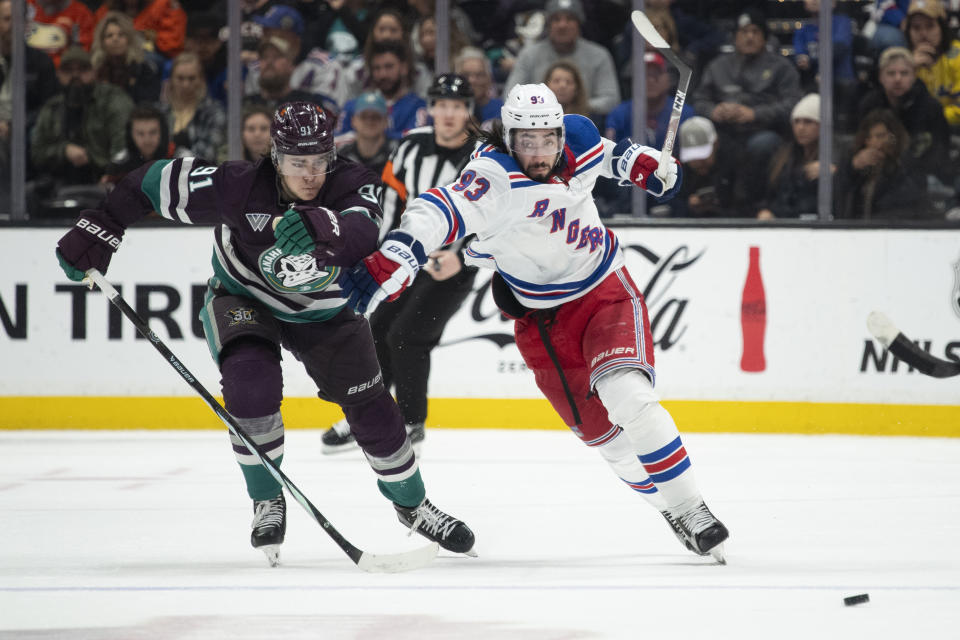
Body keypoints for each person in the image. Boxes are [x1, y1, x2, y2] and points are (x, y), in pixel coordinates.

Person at [53, 101, 476, 565]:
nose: (311, 173)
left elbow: (360, 233)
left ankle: (413, 506)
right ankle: (267, 498)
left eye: (319, 160)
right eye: (298, 162)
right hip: (244, 299)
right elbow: (148, 183)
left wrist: (319, 224)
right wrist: (103, 227)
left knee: (373, 409)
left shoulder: (354, 182)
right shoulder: (236, 185)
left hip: (326, 314)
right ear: (275, 156)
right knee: (249, 386)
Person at [338, 83, 730, 561]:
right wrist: (401, 249)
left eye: (549, 138)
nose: (540, 151)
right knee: (605, 440)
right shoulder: (493, 176)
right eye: (527, 140)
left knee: (629, 397)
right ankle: (669, 505)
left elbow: (609, 155)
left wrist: (642, 165)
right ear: (509, 136)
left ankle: (691, 508)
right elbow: (439, 209)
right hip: (541, 324)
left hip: (604, 288)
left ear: (561, 132)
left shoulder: (579, 138)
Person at [323, 74, 479, 454]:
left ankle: (411, 426)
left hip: (452, 267)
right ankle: (362, 418)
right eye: (442, 104)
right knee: (376, 332)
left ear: (469, 112)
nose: (448, 113)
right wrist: (383, 250)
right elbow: (392, 199)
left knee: (407, 337)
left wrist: (460, 256)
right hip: (407, 258)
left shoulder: (481, 155)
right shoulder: (412, 146)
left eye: (457, 106)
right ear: (431, 108)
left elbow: (493, 211)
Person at [693, 8, 802, 204]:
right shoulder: (718, 66)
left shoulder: (781, 67)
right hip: (725, 130)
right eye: (744, 32)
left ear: (765, 38)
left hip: (764, 131)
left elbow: (792, 103)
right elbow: (699, 99)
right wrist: (714, 110)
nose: (749, 37)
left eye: (755, 32)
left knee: (760, 146)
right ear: (735, 37)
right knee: (707, 142)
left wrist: (755, 114)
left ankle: (753, 204)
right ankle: (703, 201)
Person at [30, 46, 134, 188]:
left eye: (82, 70)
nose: (75, 76)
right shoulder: (52, 108)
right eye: (68, 71)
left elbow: (122, 149)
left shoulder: (113, 100)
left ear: (93, 73)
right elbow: (36, 153)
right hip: (59, 183)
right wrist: (64, 150)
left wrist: (111, 175)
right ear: (58, 74)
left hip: (102, 179)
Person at [504, 0, 621, 116]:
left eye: (570, 19)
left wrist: (576, 107)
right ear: (548, 24)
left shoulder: (599, 55)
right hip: (536, 122)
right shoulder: (529, 54)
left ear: (579, 24)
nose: (562, 25)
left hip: (586, 121)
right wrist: (543, 107)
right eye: (556, 19)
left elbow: (611, 99)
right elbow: (510, 96)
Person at [857, 46, 950, 181]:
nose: (898, 79)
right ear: (880, 77)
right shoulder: (869, 105)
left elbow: (939, 152)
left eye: (904, 73)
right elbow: (860, 143)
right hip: (878, 173)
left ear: (914, 76)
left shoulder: (931, 107)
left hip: (921, 177)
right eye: (891, 73)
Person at [836, 107, 932, 218]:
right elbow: (838, 196)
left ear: (893, 137)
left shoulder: (908, 165)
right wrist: (852, 168)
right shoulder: (856, 166)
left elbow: (909, 202)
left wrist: (889, 168)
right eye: (869, 138)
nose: (874, 142)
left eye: (880, 136)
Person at [755, 94, 833, 220]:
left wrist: (835, 174)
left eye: (808, 122)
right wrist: (765, 211)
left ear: (823, 125)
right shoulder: (783, 157)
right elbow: (771, 195)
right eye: (796, 122)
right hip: (782, 224)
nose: (800, 128)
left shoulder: (835, 156)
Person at [336, 39, 428, 142]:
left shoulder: (418, 107)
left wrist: (367, 136)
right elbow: (336, 143)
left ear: (404, 68)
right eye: (376, 68)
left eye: (389, 67)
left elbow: (414, 141)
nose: (382, 74)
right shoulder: (352, 106)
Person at [904, 0, 960, 127]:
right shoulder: (902, 60)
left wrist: (932, 118)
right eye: (916, 28)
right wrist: (910, 70)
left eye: (930, 26)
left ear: (942, 27)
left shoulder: (958, 56)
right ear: (909, 31)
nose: (923, 34)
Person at [162, 51, 226, 161]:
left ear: (201, 80)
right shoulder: (161, 112)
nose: (186, 84)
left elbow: (209, 155)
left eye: (192, 78)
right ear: (171, 79)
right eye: (180, 78)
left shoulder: (214, 112)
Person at [90, 11, 162, 106]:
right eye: (109, 35)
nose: (115, 39)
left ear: (129, 40)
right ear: (102, 42)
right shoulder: (94, 72)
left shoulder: (144, 71)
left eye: (121, 35)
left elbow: (148, 106)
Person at [101, 103, 173, 185]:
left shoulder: (180, 159)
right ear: (131, 135)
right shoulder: (118, 166)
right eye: (140, 134)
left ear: (162, 133)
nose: (147, 140)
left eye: (153, 132)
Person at [336, 91, 397, 177]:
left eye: (376, 117)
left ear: (386, 121)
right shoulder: (342, 157)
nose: (369, 121)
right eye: (364, 116)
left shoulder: (396, 155)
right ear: (353, 121)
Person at [454, 46, 503, 130]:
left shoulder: (503, 111)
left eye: (479, 75)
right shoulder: (447, 111)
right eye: (466, 75)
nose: (472, 80)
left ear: (489, 80)